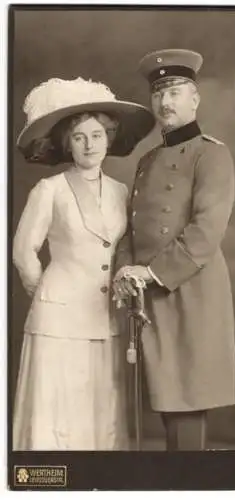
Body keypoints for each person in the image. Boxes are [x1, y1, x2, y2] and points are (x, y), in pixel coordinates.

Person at [12, 76, 155, 451]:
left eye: (96, 135)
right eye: (79, 137)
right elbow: (24, 251)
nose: (89, 144)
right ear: (67, 145)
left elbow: (125, 247)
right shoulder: (49, 190)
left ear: (109, 139)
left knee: (99, 408)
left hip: (106, 313)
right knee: (57, 408)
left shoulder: (122, 192)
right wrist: (46, 290)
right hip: (58, 318)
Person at [113, 49, 235, 451]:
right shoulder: (148, 160)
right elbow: (132, 228)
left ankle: (189, 485)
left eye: (174, 91)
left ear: (194, 99)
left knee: (187, 401)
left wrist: (149, 274)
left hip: (189, 290)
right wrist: (124, 270)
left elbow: (205, 232)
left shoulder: (212, 154)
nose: (165, 102)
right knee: (167, 400)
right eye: (158, 93)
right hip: (148, 294)